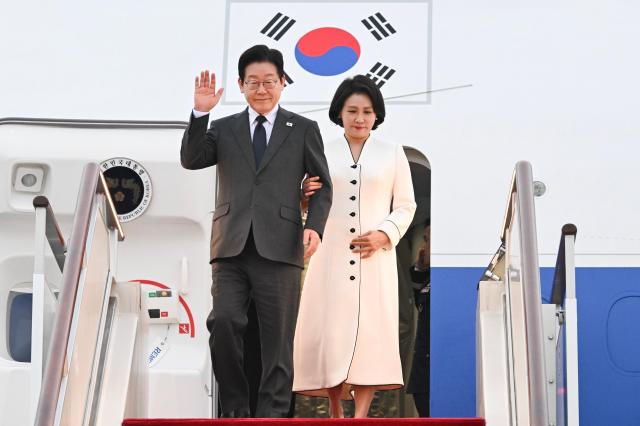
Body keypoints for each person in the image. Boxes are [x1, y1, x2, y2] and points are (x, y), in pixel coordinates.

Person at [180, 45, 333, 418]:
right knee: (224, 323)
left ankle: (273, 415)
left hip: (280, 246)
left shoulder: (303, 129)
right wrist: (201, 112)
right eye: (253, 82)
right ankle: (235, 410)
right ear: (240, 85)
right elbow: (192, 159)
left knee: (277, 340)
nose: (261, 89)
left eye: (269, 81)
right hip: (231, 246)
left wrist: (314, 227)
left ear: (282, 83)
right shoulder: (223, 127)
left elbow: (323, 186)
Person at [293, 75, 417, 418]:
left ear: (377, 115)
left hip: (375, 259)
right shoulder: (322, 151)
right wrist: (302, 198)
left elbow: (406, 205)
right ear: (339, 113)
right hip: (330, 256)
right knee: (331, 333)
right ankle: (335, 410)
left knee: (371, 335)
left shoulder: (392, 152)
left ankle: (360, 415)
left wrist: (384, 234)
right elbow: (308, 202)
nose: (359, 118)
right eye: (352, 111)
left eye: (367, 111)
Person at [407, 223, 431, 417]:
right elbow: (419, 303)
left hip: (437, 368)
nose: (424, 246)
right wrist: (420, 267)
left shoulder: (449, 279)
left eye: (428, 240)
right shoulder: (427, 278)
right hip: (423, 372)